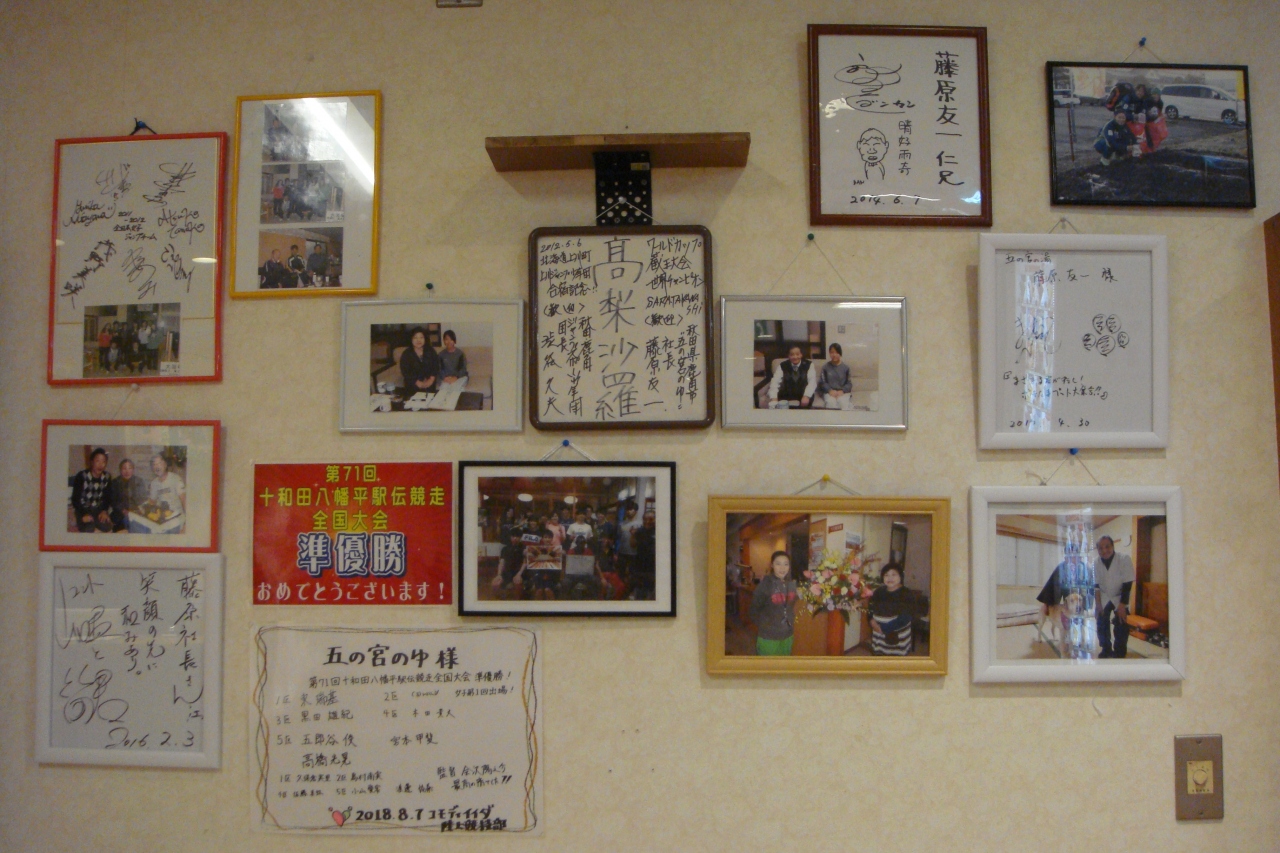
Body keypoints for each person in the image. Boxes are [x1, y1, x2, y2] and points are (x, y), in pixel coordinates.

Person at [750, 551, 797, 655]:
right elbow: (754, 610)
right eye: (778, 563)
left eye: (786, 564)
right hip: (769, 637)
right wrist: (766, 626)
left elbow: (791, 605)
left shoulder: (791, 584)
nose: (782, 568)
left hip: (787, 635)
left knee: (784, 664)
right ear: (772, 565)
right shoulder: (765, 585)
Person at [1094, 535, 1134, 658]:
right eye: (1100, 548)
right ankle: (1106, 648)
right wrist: (1098, 604)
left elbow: (1128, 583)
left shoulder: (1124, 559)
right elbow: (1096, 585)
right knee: (1101, 621)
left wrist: (1122, 605)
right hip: (1104, 595)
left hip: (1119, 595)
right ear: (1097, 550)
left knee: (1121, 622)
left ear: (1113, 546)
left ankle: (1120, 650)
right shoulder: (1096, 562)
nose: (1104, 550)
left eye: (1107, 546)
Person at [868, 564, 917, 655]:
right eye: (886, 575)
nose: (890, 578)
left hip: (896, 634)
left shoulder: (906, 594)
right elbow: (870, 607)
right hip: (878, 634)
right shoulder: (879, 591)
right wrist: (871, 621)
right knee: (879, 655)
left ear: (900, 576)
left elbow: (905, 617)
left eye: (894, 574)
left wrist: (883, 628)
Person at [71, 448, 113, 533]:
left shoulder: (107, 477)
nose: (100, 465)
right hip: (83, 508)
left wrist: (104, 511)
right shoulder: (82, 476)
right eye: (97, 461)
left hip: (98, 508)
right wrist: (83, 514)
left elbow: (107, 496)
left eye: (103, 462)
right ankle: (81, 520)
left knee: (108, 526)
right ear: (92, 462)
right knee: (89, 529)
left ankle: (94, 520)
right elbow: (75, 499)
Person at [399, 327, 440, 398]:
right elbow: (405, 371)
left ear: (425, 339)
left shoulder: (431, 350)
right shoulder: (406, 354)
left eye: (421, 337)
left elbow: (436, 366)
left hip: (429, 382)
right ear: (411, 339)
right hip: (413, 383)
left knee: (429, 400)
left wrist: (431, 380)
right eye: (415, 337)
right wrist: (417, 382)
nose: (418, 340)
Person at [523, 530, 564, 600]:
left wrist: (561, 552)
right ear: (542, 538)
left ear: (552, 538)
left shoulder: (556, 549)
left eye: (549, 537)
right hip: (539, 574)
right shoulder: (536, 549)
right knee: (539, 591)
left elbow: (563, 553)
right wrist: (526, 551)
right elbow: (526, 553)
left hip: (552, 574)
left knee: (548, 590)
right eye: (545, 537)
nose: (547, 539)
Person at [108, 458, 147, 532]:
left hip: (136, 513)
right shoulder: (115, 482)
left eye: (130, 468)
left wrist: (136, 510)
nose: (127, 471)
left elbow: (143, 498)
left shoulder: (139, 481)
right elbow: (113, 501)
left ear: (133, 469)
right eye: (124, 468)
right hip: (119, 513)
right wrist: (123, 510)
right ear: (120, 470)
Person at [148, 454, 186, 527]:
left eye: (159, 463)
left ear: (165, 465)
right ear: (152, 468)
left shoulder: (176, 479)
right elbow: (152, 502)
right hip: (163, 522)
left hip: (178, 521)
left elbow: (184, 501)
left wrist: (186, 523)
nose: (157, 467)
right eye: (154, 465)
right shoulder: (153, 483)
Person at [816, 342, 854, 410]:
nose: (834, 355)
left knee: (842, 403)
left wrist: (842, 391)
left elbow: (849, 383)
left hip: (842, 393)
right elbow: (822, 382)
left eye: (836, 352)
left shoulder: (846, 368)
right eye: (832, 352)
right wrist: (829, 390)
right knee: (831, 403)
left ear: (840, 353)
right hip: (829, 392)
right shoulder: (825, 367)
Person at [629, 510, 657, 600]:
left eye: (651, 519)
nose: (647, 521)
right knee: (639, 592)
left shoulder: (660, 531)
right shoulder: (640, 531)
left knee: (651, 593)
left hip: (653, 567)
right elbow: (633, 545)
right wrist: (632, 535)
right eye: (645, 519)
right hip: (640, 566)